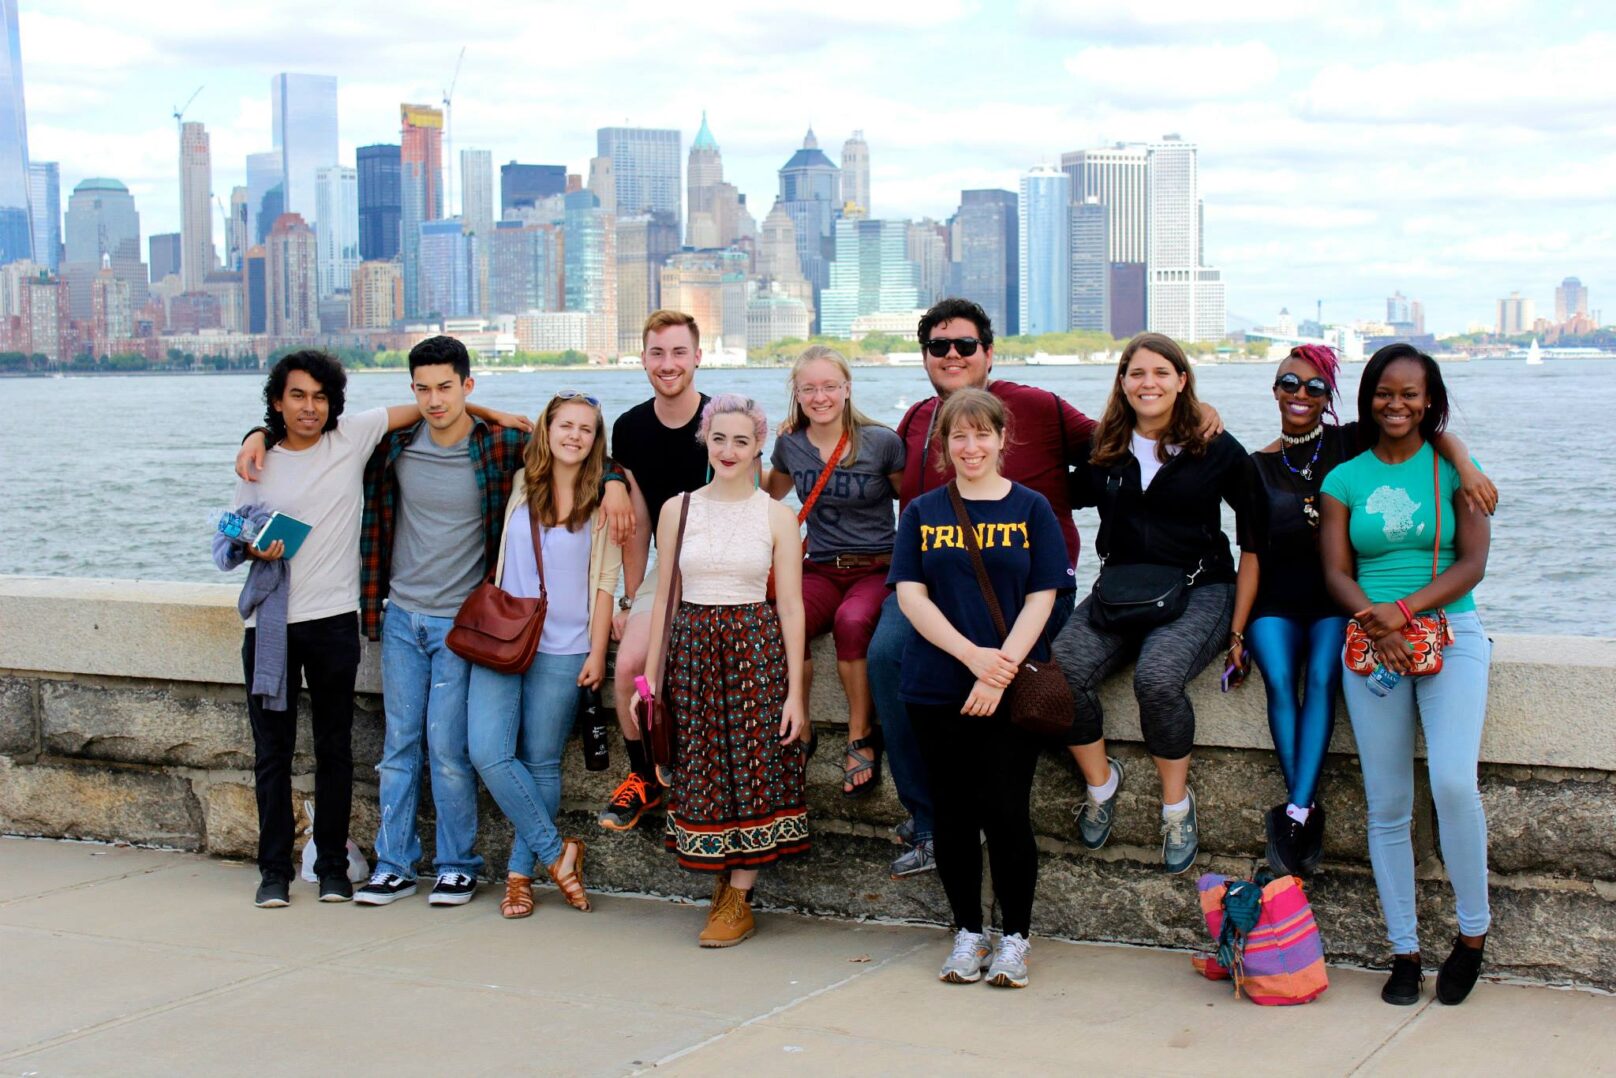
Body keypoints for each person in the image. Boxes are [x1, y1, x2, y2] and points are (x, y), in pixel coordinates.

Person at [232, 340, 627, 910]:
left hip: (463, 625)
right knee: (398, 747)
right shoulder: (389, 446)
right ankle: (393, 865)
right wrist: (257, 433)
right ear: (412, 391)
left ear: (468, 387)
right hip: (400, 618)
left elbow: (576, 449)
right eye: (423, 388)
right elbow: (300, 436)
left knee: (449, 749)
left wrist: (613, 479)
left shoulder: (499, 446)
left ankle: (456, 866)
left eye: (447, 387)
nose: (435, 399)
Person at [1229, 344, 1496, 875]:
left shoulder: (1350, 441)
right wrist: (1236, 633)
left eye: (1314, 387)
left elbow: (1424, 424)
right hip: (1285, 601)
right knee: (1280, 677)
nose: (1300, 394)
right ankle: (1301, 809)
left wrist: (1465, 463)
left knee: (1324, 674)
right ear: (1274, 388)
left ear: (1330, 395)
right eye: (1288, 383)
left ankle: (1297, 812)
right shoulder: (1256, 466)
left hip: (1339, 604)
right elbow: (1252, 554)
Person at [868, 297, 1098, 877]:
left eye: (964, 345)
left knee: (1033, 676)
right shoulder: (917, 420)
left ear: (988, 353)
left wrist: (1192, 417)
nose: (952, 355)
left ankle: (1072, 785)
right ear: (925, 358)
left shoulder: (1039, 405)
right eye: (939, 346)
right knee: (888, 654)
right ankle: (928, 820)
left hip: (1025, 588)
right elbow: (874, 475)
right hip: (938, 584)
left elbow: (1114, 444)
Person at [1320, 343, 1493, 1007]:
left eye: (1410, 394)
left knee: (1452, 782)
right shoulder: (1346, 479)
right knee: (1387, 803)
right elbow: (1336, 570)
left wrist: (1402, 612)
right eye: (1384, 393)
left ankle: (1471, 937)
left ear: (1430, 402)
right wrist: (1374, 623)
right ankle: (1404, 949)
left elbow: (1472, 564)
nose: (1396, 404)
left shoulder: (1457, 472)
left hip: (1452, 635)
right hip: (1372, 646)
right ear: (1368, 398)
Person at [889, 388, 1070, 989]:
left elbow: (1044, 594)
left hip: (1009, 688)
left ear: (1002, 439)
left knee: (1007, 812)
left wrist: (1001, 670)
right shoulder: (922, 511)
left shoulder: (1031, 509)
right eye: (958, 437)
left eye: (982, 434)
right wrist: (971, 658)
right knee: (953, 816)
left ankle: (1014, 937)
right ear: (944, 445)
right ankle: (968, 931)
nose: (971, 447)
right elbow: (910, 596)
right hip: (936, 683)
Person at [1052, 332, 1253, 876]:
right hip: (1121, 589)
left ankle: (1175, 806)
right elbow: (1046, 493)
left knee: (1158, 678)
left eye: (1162, 373)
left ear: (1182, 380)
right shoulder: (1105, 451)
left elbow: (1259, 527)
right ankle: (1101, 783)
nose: (1149, 383)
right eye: (1137, 373)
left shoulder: (1215, 446)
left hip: (1201, 588)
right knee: (1060, 673)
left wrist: (1247, 622)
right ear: (1122, 382)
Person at [219, 352, 386, 907]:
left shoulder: (352, 439)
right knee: (273, 754)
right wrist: (251, 547)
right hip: (272, 629)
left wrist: (503, 416)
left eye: (319, 396)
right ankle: (274, 873)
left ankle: (333, 866)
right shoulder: (258, 463)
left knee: (335, 750)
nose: (309, 407)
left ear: (332, 401)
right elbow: (226, 539)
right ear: (277, 401)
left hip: (334, 621)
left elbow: (428, 408)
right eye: (297, 395)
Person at [644, 394, 809, 947]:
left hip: (754, 650)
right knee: (703, 768)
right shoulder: (678, 508)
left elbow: (789, 605)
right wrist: (651, 680)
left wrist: (796, 694)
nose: (730, 450)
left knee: (756, 767)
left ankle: (740, 896)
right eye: (719, 439)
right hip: (691, 648)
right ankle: (722, 885)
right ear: (705, 443)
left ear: (759, 444)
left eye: (742, 440)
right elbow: (665, 596)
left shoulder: (777, 515)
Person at [468, 391, 623, 919]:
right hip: (503, 639)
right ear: (546, 430)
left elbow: (605, 583)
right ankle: (559, 854)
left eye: (586, 429)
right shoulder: (518, 483)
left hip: (565, 647)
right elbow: (456, 417)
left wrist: (598, 653)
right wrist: (488, 410)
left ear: (595, 440)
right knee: (487, 751)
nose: (575, 436)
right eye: (565, 425)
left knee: (540, 762)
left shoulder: (604, 498)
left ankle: (519, 877)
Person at [764, 345, 904, 796]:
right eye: (809, 388)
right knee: (787, 620)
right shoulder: (791, 444)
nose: (819, 396)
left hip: (874, 568)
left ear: (847, 388)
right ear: (797, 394)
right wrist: (746, 443)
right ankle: (799, 723)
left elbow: (915, 503)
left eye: (829, 386)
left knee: (852, 621)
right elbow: (767, 494)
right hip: (821, 567)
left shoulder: (881, 442)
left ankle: (861, 732)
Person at [599, 310, 713, 833]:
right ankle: (643, 776)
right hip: (664, 569)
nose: (668, 364)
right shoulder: (630, 427)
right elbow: (638, 524)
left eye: (678, 352)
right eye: (657, 353)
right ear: (643, 359)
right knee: (628, 670)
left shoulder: (721, 420)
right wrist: (628, 598)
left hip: (718, 569)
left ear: (697, 356)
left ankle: (699, 781)